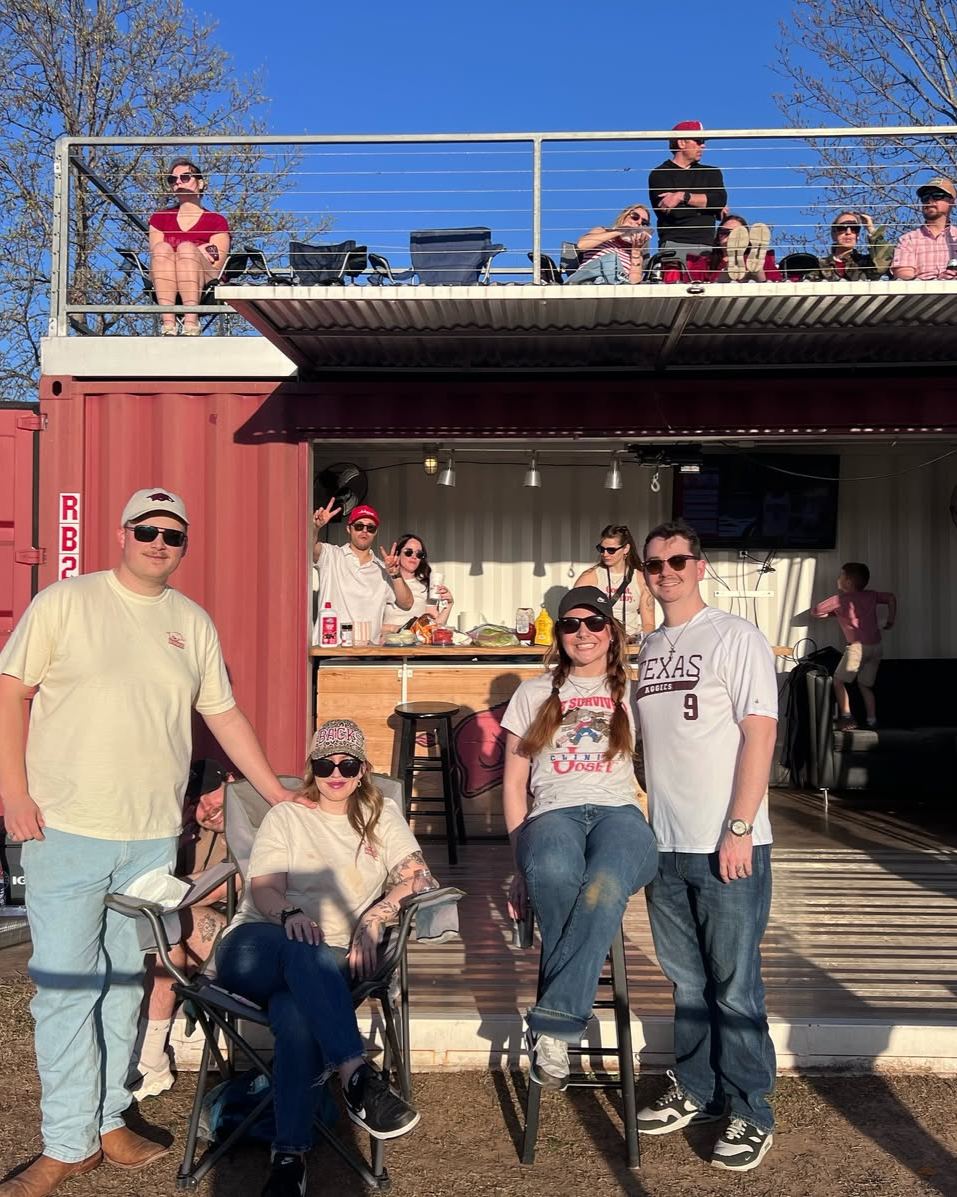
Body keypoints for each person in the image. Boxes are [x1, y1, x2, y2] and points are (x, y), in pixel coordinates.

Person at [0, 487, 300, 1197]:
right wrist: (12, 791)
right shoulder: (65, 602)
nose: (159, 542)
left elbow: (221, 714)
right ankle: (65, 1141)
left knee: (123, 985)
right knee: (68, 989)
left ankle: (107, 1121)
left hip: (148, 841)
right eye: (147, 529)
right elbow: (11, 689)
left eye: (173, 534)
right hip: (67, 829)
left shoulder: (190, 622)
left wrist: (275, 793)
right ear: (122, 532)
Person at [214, 718, 425, 1197]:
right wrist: (288, 912)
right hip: (258, 945)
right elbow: (264, 887)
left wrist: (378, 914)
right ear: (311, 766)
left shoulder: (381, 814)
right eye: (325, 763)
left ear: (363, 769)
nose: (335, 773)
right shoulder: (287, 816)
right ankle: (356, 1075)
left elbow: (418, 876)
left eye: (346, 764)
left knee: (294, 1014)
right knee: (300, 949)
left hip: (329, 961)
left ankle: (288, 1160)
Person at [631, 520, 778, 1173]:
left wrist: (740, 825)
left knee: (735, 985)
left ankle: (750, 1109)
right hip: (663, 843)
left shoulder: (734, 635)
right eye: (655, 563)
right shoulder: (649, 646)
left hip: (727, 843)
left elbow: (759, 732)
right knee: (686, 982)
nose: (666, 571)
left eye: (677, 559)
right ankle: (696, 1088)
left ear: (700, 563)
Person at [502, 587, 658, 1091]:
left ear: (612, 631)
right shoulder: (533, 692)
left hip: (619, 812)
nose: (583, 633)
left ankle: (551, 1023)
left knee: (605, 882)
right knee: (551, 872)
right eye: (570, 625)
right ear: (559, 635)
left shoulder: (635, 692)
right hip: (553, 812)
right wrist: (517, 863)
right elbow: (512, 781)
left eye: (594, 623)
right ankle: (557, 1021)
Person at [129, 758, 233, 1100]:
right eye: (196, 803)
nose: (207, 808)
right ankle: (150, 1061)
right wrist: (177, 829)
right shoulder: (193, 834)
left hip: (254, 941)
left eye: (211, 795)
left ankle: (147, 1058)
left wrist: (163, 890)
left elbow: (216, 887)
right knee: (165, 937)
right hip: (201, 940)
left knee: (173, 921)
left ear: (230, 781)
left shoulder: (257, 824)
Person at [148, 159, 230, 337]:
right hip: (166, 276)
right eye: (172, 179)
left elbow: (217, 264)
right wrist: (199, 250)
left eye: (185, 177)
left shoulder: (216, 221)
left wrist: (190, 252)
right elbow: (157, 255)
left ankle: (191, 324)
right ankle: (168, 326)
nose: (178, 181)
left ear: (200, 183)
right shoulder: (159, 218)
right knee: (163, 249)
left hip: (205, 281)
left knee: (186, 248)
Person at [811, 562, 896, 730]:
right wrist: (890, 620)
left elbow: (816, 611)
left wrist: (835, 614)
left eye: (840, 575)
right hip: (876, 647)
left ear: (848, 582)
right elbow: (891, 598)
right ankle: (872, 721)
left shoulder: (840, 600)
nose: (838, 578)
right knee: (865, 685)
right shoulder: (871, 595)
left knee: (837, 681)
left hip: (857, 648)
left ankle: (847, 717)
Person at [312, 503, 412, 645]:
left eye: (370, 528)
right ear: (349, 529)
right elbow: (307, 548)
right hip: (332, 652)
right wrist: (315, 527)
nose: (364, 531)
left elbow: (407, 603)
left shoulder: (383, 570)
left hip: (368, 655)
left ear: (375, 532)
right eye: (359, 526)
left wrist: (396, 575)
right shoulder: (331, 555)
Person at [648, 120, 728, 265]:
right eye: (698, 140)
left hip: (708, 247)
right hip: (675, 246)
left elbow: (719, 200)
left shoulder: (711, 172)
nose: (703, 145)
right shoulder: (660, 174)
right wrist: (708, 206)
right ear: (681, 143)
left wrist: (681, 196)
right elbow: (675, 213)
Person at [574, 524, 655, 641]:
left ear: (626, 549)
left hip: (629, 645)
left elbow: (649, 624)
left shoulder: (640, 579)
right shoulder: (589, 577)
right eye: (601, 549)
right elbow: (575, 616)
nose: (605, 554)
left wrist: (636, 638)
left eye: (611, 550)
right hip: (599, 643)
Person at [666, 214, 780, 284]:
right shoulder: (704, 263)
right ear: (718, 238)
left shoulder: (763, 260)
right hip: (718, 296)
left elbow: (777, 284)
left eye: (737, 233)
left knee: (761, 274)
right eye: (725, 232)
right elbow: (691, 284)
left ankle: (754, 269)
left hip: (755, 291)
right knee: (722, 278)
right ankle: (732, 269)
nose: (730, 236)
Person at [381, 532, 454, 635]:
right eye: (408, 552)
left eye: (419, 554)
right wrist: (398, 628)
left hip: (415, 647)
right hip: (388, 645)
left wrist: (449, 604)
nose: (414, 557)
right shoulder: (384, 582)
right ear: (397, 554)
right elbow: (371, 624)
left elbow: (434, 627)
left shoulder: (426, 586)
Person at [891, 176, 957, 281]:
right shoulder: (908, 239)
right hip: (920, 296)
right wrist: (937, 282)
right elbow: (903, 273)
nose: (930, 201)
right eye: (925, 198)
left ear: (952, 201)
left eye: (937, 196)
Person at [569, 204, 652, 284]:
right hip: (586, 279)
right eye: (635, 217)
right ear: (624, 217)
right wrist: (618, 231)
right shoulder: (602, 231)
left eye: (644, 223)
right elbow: (581, 245)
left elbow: (634, 283)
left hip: (614, 286)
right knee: (611, 258)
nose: (639, 223)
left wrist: (636, 252)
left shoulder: (636, 253)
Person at [820, 211, 894, 281]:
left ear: (857, 235)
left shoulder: (865, 263)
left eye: (854, 228)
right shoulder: (819, 265)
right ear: (833, 234)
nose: (848, 232)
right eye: (842, 228)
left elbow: (883, 263)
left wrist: (871, 229)